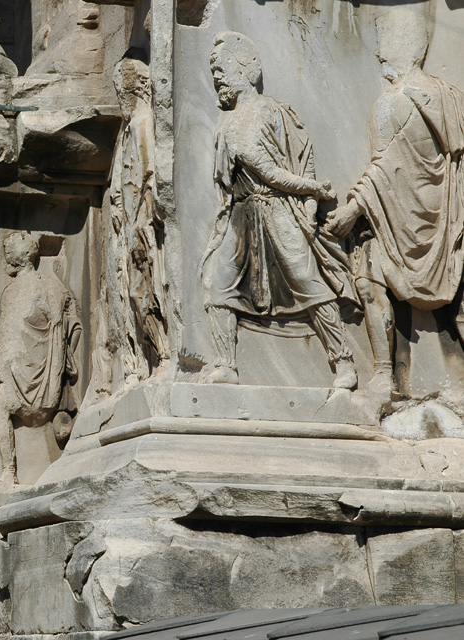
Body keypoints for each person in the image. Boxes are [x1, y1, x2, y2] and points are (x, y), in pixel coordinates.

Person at [200, 31, 358, 388]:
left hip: (277, 211)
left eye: (222, 68)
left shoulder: (272, 110)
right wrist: (311, 188)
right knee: (217, 283)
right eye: (214, 73)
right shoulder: (227, 122)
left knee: (308, 282)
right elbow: (259, 169)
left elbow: (302, 157)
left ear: (246, 68)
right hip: (240, 216)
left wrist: (312, 197)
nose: (218, 78)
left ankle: (344, 362)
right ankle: (226, 365)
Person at [325, 10, 464, 394]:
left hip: (403, 219)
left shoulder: (390, 103)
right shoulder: (453, 98)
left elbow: (386, 166)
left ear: (403, 46)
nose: (378, 54)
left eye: (383, 43)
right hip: (447, 216)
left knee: (369, 276)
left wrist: (353, 209)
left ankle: (383, 373)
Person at [0, 232, 82, 484]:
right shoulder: (52, 286)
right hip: (47, 382)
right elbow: (74, 323)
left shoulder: (13, 292)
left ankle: (8, 471)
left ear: (16, 258)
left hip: (27, 380)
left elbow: (8, 340)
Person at [110, 56, 169, 378]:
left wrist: (140, 226)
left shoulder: (143, 122)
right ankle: (157, 354)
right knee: (135, 292)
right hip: (132, 224)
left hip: (142, 226)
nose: (120, 94)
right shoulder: (130, 127)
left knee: (146, 290)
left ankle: (164, 354)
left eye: (122, 87)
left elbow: (149, 175)